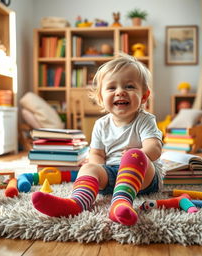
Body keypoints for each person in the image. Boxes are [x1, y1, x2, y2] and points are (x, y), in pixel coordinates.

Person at [31, 53, 163, 226]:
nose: (120, 92)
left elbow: (154, 148)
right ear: (101, 97)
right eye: (111, 88)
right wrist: (96, 169)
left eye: (129, 86)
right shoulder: (101, 124)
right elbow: (97, 154)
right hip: (111, 174)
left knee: (134, 156)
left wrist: (138, 153)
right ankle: (76, 203)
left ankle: (121, 203)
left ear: (144, 96)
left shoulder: (145, 120)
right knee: (88, 166)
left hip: (143, 177)